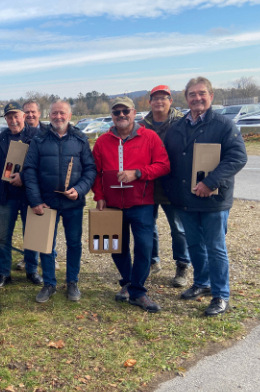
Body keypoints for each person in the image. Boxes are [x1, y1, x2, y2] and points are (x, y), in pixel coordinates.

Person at [162, 77, 248, 317]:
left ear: (211, 96)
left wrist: (210, 182)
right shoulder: (177, 128)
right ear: (186, 98)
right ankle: (201, 282)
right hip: (185, 199)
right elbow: (168, 161)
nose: (197, 98)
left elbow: (237, 157)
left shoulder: (224, 125)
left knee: (215, 247)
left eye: (201, 93)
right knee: (194, 245)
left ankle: (221, 294)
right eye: (192, 94)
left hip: (213, 199)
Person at [91, 96, 170, 312]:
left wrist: (138, 173)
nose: (121, 115)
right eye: (116, 112)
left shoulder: (149, 137)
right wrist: (99, 195)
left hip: (141, 203)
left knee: (144, 247)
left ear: (134, 112)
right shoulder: (102, 142)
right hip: (112, 204)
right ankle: (127, 282)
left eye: (125, 111)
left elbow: (163, 165)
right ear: (112, 116)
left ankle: (138, 291)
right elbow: (95, 172)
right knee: (116, 247)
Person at [22, 100, 97, 302]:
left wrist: (80, 190)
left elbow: (90, 169)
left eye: (62, 113)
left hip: (73, 204)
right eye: (54, 113)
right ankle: (49, 283)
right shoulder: (39, 140)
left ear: (69, 116)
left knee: (74, 243)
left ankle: (72, 282)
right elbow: (29, 170)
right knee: (45, 245)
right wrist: (35, 200)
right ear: (49, 115)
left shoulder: (81, 140)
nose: (58, 117)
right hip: (47, 203)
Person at [0, 102, 47, 291]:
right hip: (6, 196)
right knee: (3, 236)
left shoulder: (37, 136)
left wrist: (24, 177)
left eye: (16, 116)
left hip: (31, 195)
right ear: (5, 119)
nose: (13, 120)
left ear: (23, 116)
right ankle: (4, 272)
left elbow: (43, 166)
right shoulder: (0, 139)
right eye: (9, 117)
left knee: (32, 235)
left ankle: (31, 269)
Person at [140, 84, 192, 288]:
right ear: (150, 102)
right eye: (155, 98)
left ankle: (182, 265)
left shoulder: (181, 123)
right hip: (149, 183)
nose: (159, 102)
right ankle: (153, 261)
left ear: (170, 101)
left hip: (173, 183)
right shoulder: (142, 125)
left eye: (164, 98)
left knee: (178, 228)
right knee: (148, 225)